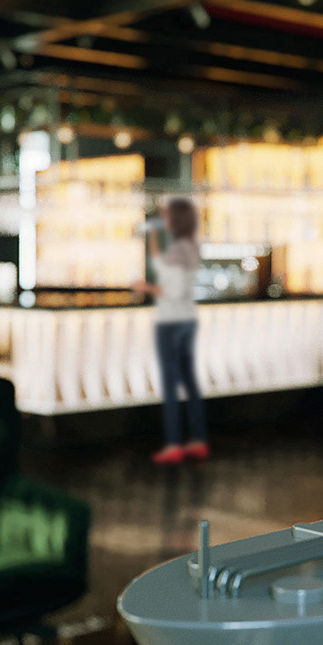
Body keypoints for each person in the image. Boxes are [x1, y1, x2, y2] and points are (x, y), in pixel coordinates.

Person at [132, 196, 208, 465]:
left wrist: (145, 287)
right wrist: (153, 235)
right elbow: (160, 265)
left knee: (170, 384)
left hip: (170, 322)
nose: (163, 217)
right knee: (189, 382)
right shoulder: (188, 246)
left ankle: (173, 444)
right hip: (187, 320)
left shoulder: (178, 249)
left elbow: (171, 290)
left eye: (167, 215)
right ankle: (198, 440)